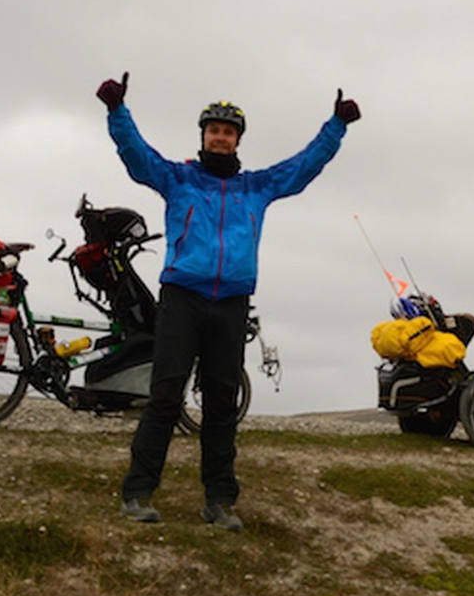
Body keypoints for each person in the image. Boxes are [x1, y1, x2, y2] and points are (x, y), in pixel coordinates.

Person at [97, 71, 359, 528]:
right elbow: (138, 158)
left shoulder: (256, 187)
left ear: (237, 140)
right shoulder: (178, 178)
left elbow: (302, 167)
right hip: (182, 299)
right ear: (204, 136)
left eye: (228, 132)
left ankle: (220, 502)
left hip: (231, 305)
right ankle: (137, 494)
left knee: (221, 404)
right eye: (214, 130)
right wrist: (117, 112)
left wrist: (335, 126)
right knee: (164, 397)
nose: (220, 138)